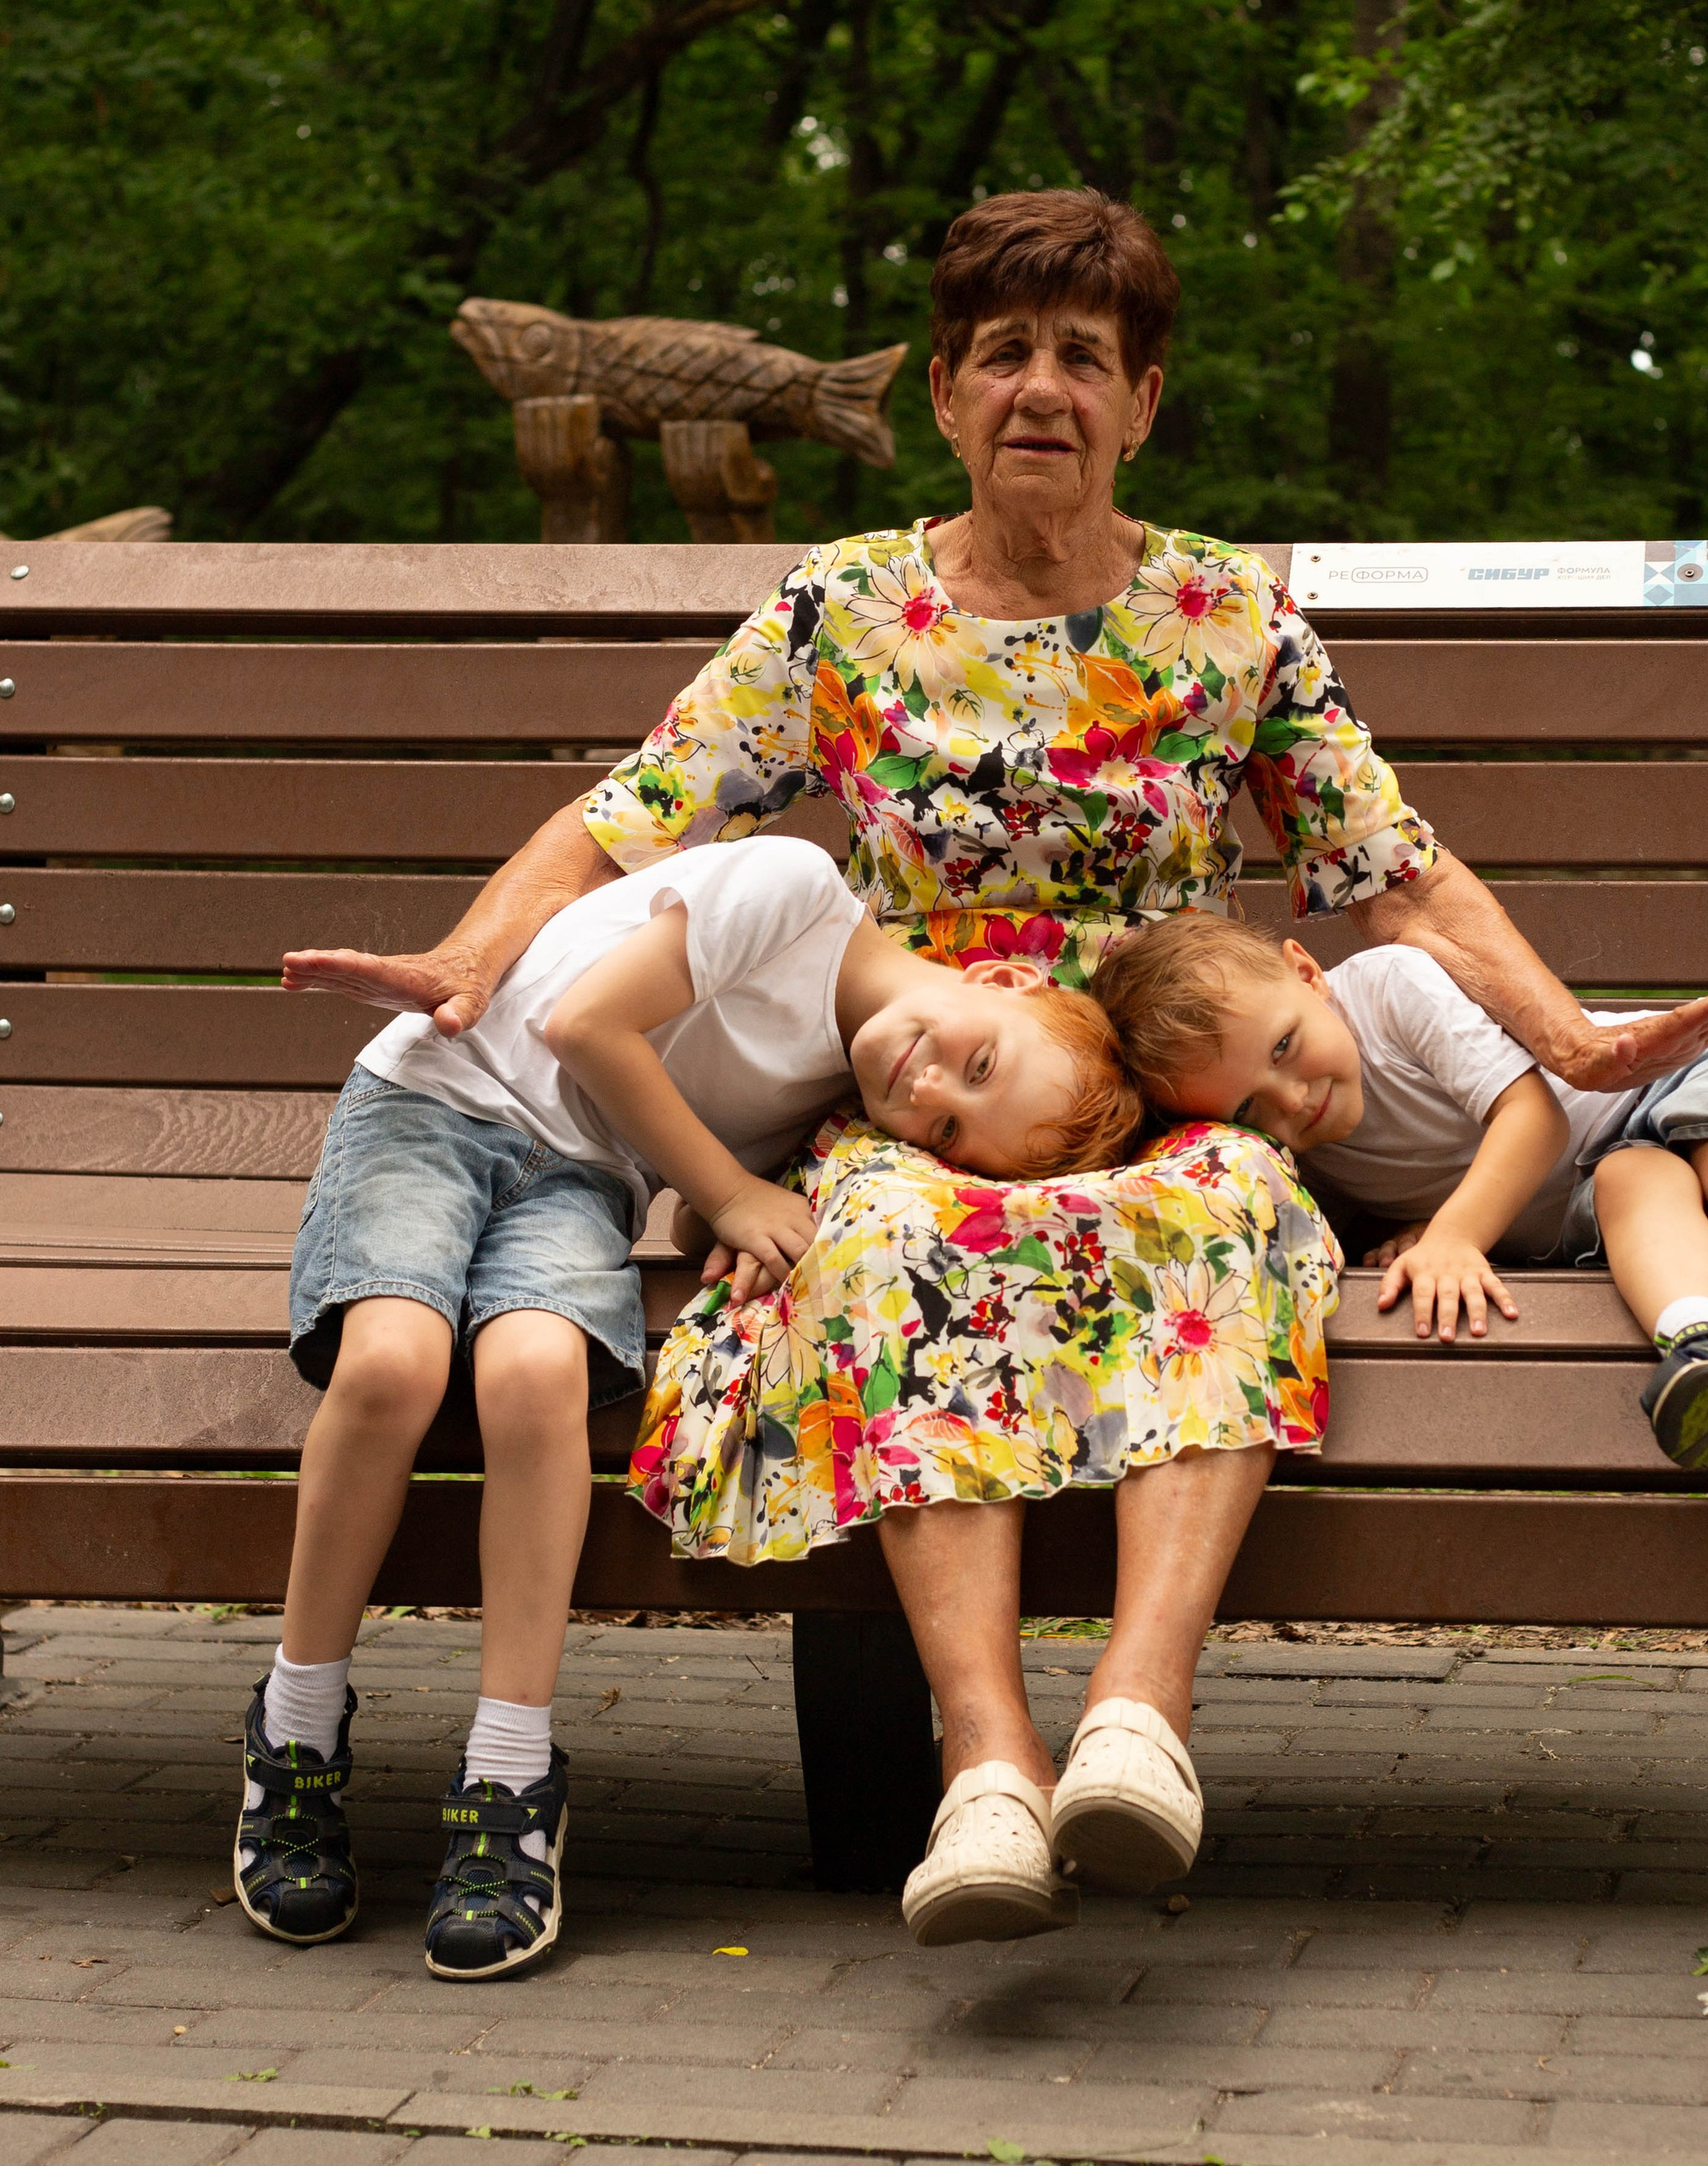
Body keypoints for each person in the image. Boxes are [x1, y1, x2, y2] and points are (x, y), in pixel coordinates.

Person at [284, 185, 1708, 1950]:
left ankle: (1137, 1722)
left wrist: (1569, 1039)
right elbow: (627, 819)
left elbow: (1396, 863)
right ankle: (983, 1769)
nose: (1040, 389)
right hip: (925, 1067)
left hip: (1143, 1082)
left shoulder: (1230, 620)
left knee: (1232, 1212)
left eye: (1085, 356)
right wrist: (469, 957)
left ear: (1142, 401)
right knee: (886, 1243)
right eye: (1004, 352)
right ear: (942, 390)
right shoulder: (840, 610)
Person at [243, 833, 1137, 1976]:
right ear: (1007, 983)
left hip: (577, 1182)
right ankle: (296, 1733)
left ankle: (510, 1776)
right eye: (979, 1066)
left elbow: (680, 1202)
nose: (926, 1095)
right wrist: (729, 1190)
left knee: (536, 1375)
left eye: (949, 1134)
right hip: (430, 1106)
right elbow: (584, 1025)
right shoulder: (794, 890)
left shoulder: (831, 1093)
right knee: (394, 1365)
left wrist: (726, 1224)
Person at [1093, 917, 1708, 1469]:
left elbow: (1534, 1117)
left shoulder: (1393, 985)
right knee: (1634, 1180)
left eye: (1287, 1046)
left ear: (1304, 971)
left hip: (1664, 1075)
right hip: (1590, 1188)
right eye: (1253, 1104)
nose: (1295, 1100)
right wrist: (1418, 1226)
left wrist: (1454, 1236)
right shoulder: (1273, 1152)